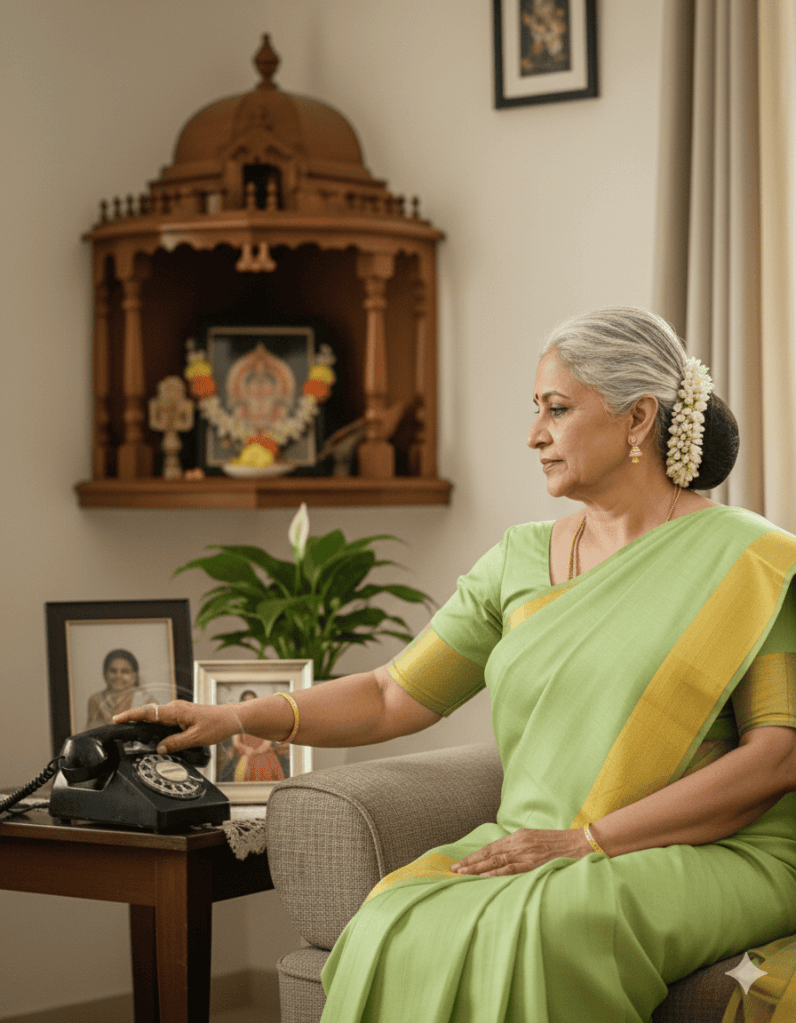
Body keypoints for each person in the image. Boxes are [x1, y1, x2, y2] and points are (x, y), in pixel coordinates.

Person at [115, 307, 796, 1022]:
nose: (533, 434)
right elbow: (389, 695)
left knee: (548, 928)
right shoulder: (520, 559)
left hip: (717, 849)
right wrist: (234, 715)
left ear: (638, 419)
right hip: (539, 838)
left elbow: (776, 759)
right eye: (535, 409)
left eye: (557, 410)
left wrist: (583, 840)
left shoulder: (751, 562)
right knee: (390, 920)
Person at [86, 649, 158, 729]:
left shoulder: (146, 700)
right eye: (113, 671)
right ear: (105, 674)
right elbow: (91, 733)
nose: (118, 676)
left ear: (134, 676)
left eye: (125, 671)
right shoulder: (96, 700)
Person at [230, 690, 286, 782]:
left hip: (264, 753)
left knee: (266, 768)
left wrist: (261, 749)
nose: (249, 704)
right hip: (248, 753)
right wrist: (247, 749)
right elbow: (236, 743)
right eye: (246, 701)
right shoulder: (238, 720)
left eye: (252, 701)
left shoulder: (264, 718)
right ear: (242, 702)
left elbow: (268, 740)